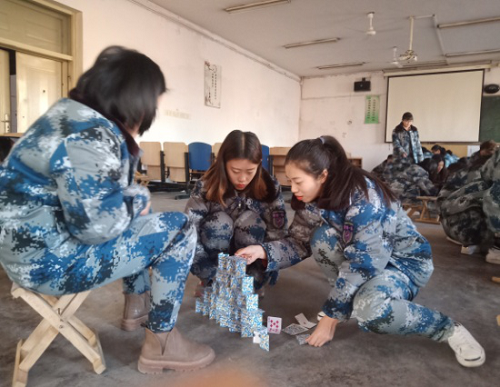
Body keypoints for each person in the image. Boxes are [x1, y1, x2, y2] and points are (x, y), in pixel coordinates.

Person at [0, 46, 215, 374]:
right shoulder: (90, 135)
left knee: (137, 218)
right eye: (153, 100)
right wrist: (138, 201)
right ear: (135, 98)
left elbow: (103, 194)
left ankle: (137, 305)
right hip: (48, 264)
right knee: (178, 227)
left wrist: (131, 200)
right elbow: (97, 227)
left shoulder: (67, 117)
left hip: (28, 251)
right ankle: (162, 342)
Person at [237, 135, 485, 367]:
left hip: (403, 264)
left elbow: (364, 262)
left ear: (322, 175)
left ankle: (448, 328)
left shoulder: (364, 197)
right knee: (321, 238)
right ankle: (351, 301)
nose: (293, 188)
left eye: (297, 181)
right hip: (371, 261)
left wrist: (331, 317)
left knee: (371, 311)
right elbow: (299, 241)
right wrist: (262, 250)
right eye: (290, 180)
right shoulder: (315, 198)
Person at [185, 130, 288, 294]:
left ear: (260, 163)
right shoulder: (207, 185)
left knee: (252, 223)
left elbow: (278, 233)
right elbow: (189, 230)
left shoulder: (270, 186)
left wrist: (263, 271)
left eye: (250, 171)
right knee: (219, 222)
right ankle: (212, 281)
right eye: (235, 170)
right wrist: (206, 271)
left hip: (253, 257)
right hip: (215, 256)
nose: (242, 179)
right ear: (223, 162)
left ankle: (249, 281)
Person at [440, 145, 500, 262]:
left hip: (453, 218)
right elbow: (494, 199)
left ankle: (481, 244)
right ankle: (496, 249)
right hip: (462, 223)